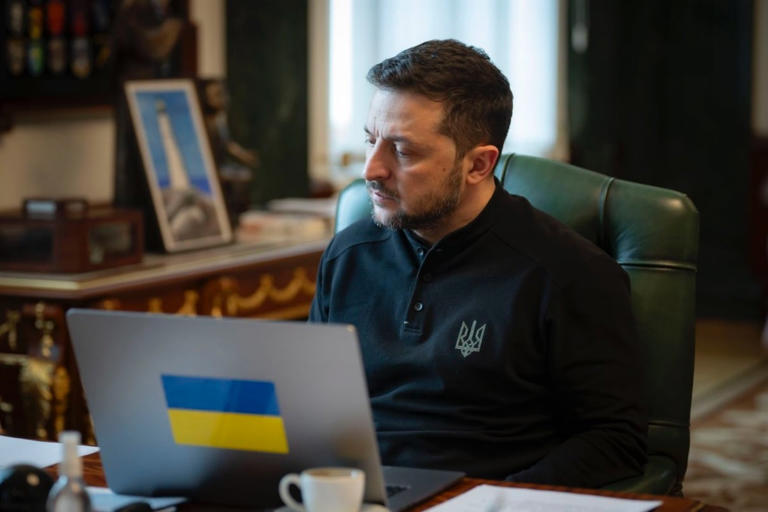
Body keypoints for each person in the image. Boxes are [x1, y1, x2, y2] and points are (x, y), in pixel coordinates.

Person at [309, 39, 647, 488]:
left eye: (403, 151)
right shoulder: (347, 254)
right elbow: (313, 404)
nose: (371, 169)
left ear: (479, 165)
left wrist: (499, 501)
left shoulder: (570, 273)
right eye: (371, 141)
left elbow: (615, 442)